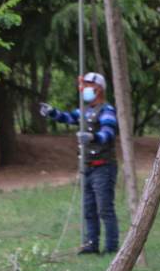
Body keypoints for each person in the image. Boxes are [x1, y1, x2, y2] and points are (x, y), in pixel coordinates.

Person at [39, 72, 119, 254]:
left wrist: (92, 137)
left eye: (88, 85)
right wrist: (52, 112)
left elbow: (108, 133)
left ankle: (111, 248)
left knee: (105, 208)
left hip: (103, 167)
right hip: (87, 167)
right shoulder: (84, 110)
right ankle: (91, 244)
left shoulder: (106, 110)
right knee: (88, 209)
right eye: (84, 85)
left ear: (99, 88)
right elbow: (67, 117)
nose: (84, 89)